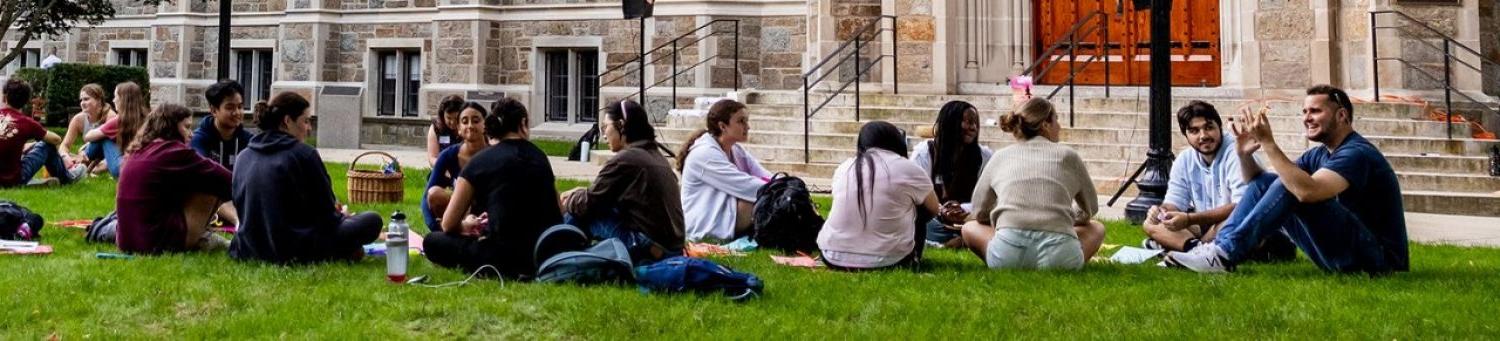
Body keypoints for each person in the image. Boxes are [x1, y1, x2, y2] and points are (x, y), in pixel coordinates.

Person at [1167, 85, 1409, 274]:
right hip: (1344, 254)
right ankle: (1218, 250)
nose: (1307, 118)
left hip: (1378, 260)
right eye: (1304, 112)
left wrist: (1269, 143)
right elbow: (1260, 185)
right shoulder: (1319, 154)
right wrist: (1243, 155)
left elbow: (1307, 192)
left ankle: (1223, 253)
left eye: (1315, 111)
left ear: (1342, 115)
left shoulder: (1356, 153)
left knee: (1289, 182)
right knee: (1270, 181)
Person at [228, 92, 384, 264]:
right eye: (306, 121)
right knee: (371, 220)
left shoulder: (243, 156)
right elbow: (327, 215)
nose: (309, 128)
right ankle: (344, 250)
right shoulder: (304, 154)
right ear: (287, 121)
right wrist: (343, 216)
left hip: (249, 246)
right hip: (295, 247)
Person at [424, 97, 563, 279]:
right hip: (545, 250)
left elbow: (448, 224)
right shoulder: (539, 156)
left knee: (432, 241)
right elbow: (559, 209)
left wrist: (465, 225)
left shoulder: (479, 161)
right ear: (523, 124)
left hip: (501, 257)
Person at [960, 97, 1106, 270]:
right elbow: (1090, 208)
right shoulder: (1069, 155)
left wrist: (1007, 221)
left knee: (970, 227)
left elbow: (979, 212)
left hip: (1008, 255)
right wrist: (1062, 219)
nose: (1059, 126)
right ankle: (1068, 258)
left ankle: (1004, 259)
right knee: (1097, 228)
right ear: (1045, 124)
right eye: (1056, 119)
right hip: (1061, 257)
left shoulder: (1000, 156)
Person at [1142, 101, 1295, 261]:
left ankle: (1185, 247)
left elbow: (1242, 207)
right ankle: (1195, 249)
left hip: (1245, 224)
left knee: (1227, 223)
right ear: (1185, 135)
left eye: (1209, 127)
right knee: (1151, 223)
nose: (1203, 136)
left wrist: (1189, 219)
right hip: (1209, 226)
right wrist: (1161, 212)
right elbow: (1174, 202)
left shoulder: (1235, 152)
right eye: (1194, 131)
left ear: (1219, 127)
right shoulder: (1185, 159)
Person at [561, 99, 685, 260]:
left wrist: (569, 199)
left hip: (649, 249)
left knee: (577, 211)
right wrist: (580, 193)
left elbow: (590, 202)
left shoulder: (627, 159)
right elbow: (604, 197)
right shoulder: (654, 155)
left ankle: (556, 258)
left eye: (605, 127)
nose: (604, 134)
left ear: (621, 125)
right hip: (672, 249)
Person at [817, 121, 943, 270]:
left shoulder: (845, 167)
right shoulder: (909, 168)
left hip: (832, 255)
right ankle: (914, 256)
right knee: (919, 208)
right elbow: (933, 209)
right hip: (890, 259)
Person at [114, 104, 233, 254]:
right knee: (210, 183)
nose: (191, 134)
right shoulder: (174, 151)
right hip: (154, 243)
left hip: (126, 240)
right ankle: (204, 238)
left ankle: (204, 235)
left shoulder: (138, 150)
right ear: (170, 127)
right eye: (186, 127)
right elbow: (227, 179)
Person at [676, 99, 771, 242]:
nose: (748, 126)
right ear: (722, 126)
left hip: (725, 216)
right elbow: (745, 185)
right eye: (741, 121)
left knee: (771, 197)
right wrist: (779, 190)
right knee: (752, 199)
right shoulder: (704, 154)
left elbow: (763, 175)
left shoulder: (736, 150)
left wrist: (786, 185)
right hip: (704, 224)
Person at [909, 100, 993, 248]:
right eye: (968, 122)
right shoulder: (925, 153)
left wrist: (964, 209)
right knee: (920, 220)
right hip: (936, 219)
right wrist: (941, 209)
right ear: (950, 124)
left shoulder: (984, 156)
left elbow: (989, 197)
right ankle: (962, 240)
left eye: (975, 123)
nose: (973, 128)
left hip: (970, 219)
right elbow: (917, 194)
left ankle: (962, 238)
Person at [0, 79, 85, 187]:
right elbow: (56, 139)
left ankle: (34, 183)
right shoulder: (26, 123)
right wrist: (35, 144)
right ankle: (67, 178)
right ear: (26, 101)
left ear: (4, 97)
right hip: (12, 179)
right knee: (46, 145)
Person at [190, 80, 251, 228]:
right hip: (211, 200)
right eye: (230, 107)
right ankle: (240, 223)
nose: (237, 113)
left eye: (240, 107)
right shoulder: (199, 140)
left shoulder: (249, 141)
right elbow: (201, 178)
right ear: (214, 110)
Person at [422, 101, 490, 230]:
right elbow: (427, 197)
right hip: (460, 212)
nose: (470, 125)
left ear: (484, 125)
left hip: (488, 213)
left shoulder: (495, 154)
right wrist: (436, 228)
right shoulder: (449, 155)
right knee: (434, 193)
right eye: (465, 121)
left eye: (476, 121)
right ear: (458, 128)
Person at [84, 81, 149, 178]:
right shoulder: (146, 117)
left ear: (123, 100)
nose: (113, 100)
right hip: (144, 167)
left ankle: (82, 162)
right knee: (104, 136)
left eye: (115, 97)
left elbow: (88, 136)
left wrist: (103, 133)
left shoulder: (120, 120)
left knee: (104, 138)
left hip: (123, 169)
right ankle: (86, 167)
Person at [59, 84, 116, 174]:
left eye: (86, 99)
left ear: (98, 100)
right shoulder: (78, 119)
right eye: (81, 100)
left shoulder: (110, 116)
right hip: (89, 155)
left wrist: (86, 147)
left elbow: (115, 145)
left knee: (101, 140)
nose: (82, 103)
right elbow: (64, 145)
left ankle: (84, 166)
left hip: (108, 154)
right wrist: (65, 156)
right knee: (64, 157)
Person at [426, 95, 464, 166]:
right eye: (449, 118)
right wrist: (442, 168)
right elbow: (432, 157)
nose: (452, 122)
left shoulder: (467, 128)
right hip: (442, 167)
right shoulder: (436, 128)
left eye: (456, 118)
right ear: (442, 115)